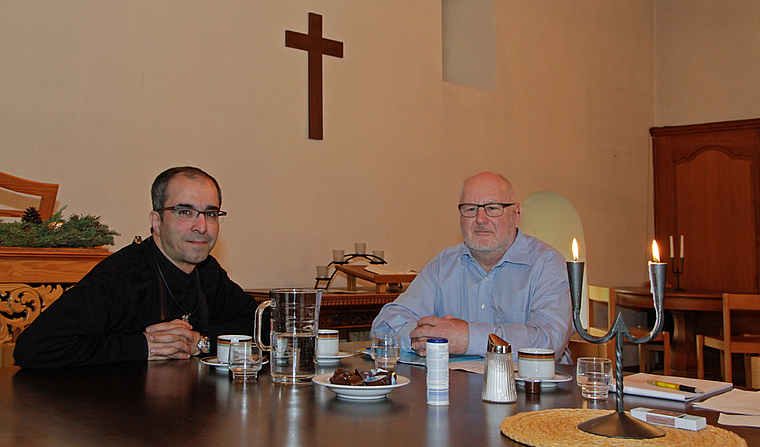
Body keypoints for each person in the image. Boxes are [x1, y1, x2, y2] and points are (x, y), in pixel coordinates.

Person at [14, 166, 256, 368]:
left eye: (211, 214)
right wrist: (142, 345)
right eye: (185, 212)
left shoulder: (207, 271)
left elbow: (263, 323)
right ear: (156, 222)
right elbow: (33, 348)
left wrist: (200, 340)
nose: (202, 226)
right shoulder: (123, 277)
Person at [371, 171, 573, 362]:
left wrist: (469, 338)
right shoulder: (443, 266)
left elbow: (549, 342)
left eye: (493, 208)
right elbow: (384, 327)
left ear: (517, 214)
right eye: (470, 209)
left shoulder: (547, 264)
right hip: (456, 393)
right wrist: (428, 338)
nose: (480, 219)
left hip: (531, 393)